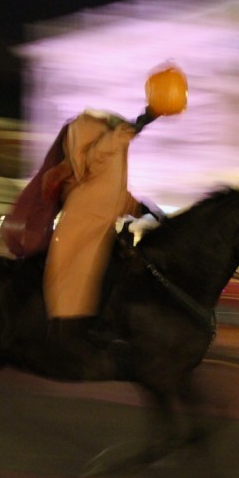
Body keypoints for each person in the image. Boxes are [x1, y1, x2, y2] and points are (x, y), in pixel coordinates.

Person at [40, 65, 187, 377]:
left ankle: (106, 326)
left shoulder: (111, 151)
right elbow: (98, 157)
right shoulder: (95, 147)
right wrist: (138, 124)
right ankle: (84, 330)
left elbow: (115, 194)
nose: (114, 124)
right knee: (102, 270)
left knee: (127, 267)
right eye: (108, 124)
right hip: (85, 225)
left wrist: (147, 209)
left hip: (102, 221)